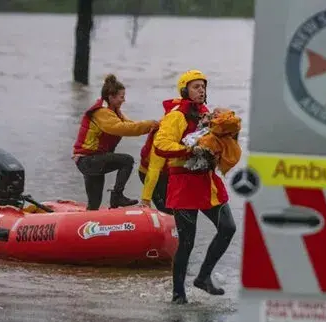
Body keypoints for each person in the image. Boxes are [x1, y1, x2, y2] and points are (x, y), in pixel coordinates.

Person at [153, 69, 238, 304]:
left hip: (207, 182)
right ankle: (178, 295)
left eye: (203, 87)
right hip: (183, 184)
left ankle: (203, 277)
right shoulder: (176, 116)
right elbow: (161, 145)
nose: (201, 90)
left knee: (228, 228)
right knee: (187, 241)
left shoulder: (207, 114)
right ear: (185, 91)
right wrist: (189, 149)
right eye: (196, 87)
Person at [72, 74, 159, 210]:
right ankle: (117, 196)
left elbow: (131, 124)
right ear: (111, 97)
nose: (124, 100)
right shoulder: (102, 112)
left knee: (94, 204)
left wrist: (154, 125)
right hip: (88, 160)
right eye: (121, 97)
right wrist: (148, 125)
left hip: (92, 160)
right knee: (127, 160)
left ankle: (92, 221)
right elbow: (122, 128)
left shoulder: (113, 112)